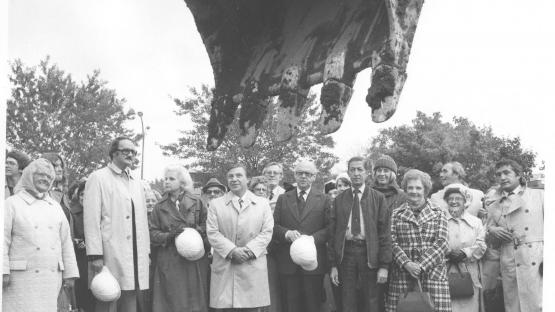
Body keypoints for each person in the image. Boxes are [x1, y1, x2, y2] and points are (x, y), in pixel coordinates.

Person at [83, 137, 150, 312]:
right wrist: (95, 255)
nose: (131, 154)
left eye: (133, 152)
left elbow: (142, 221)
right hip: (110, 251)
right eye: (126, 150)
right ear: (114, 153)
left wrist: (146, 252)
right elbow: (91, 220)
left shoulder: (136, 181)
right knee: (108, 294)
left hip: (135, 253)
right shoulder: (98, 177)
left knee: (130, 296)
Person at [3, 158, 79, 311]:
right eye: (41, 175)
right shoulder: (12, 204)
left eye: (49, 177)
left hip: (50, 279)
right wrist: (2, 270)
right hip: (20, 280)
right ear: (30, 175)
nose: (45, 179)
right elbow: (2, 241)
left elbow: (66, 243)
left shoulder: (55, 207)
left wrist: (70, 273)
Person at [206, 163, 274, 311]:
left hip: (252, 266)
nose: (234, 179)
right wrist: (232, 251)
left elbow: (267, 232)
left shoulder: (262, 204)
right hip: (226, 267)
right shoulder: (216, 205)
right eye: (230, 176)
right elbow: (212, 232)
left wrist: (249, 250)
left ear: (247, 179)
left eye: (239, 175)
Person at [329, 156, 392, 312]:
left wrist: (384, 266)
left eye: (360, 169)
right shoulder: (339, 200)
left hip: (369, 253)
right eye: (352, 169)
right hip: (346, 254)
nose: (356, 173)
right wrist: (333, 265)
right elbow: (333, 235)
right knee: (347, 299)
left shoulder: (378, 198)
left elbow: (384, 234)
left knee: (371, 299)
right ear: (348, 173)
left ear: (367, 173)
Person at [386, 169, 451, 312]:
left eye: (418, 188)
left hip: (432, 275)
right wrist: (407, 263)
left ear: (425, 190)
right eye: (410, 188)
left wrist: (420, 266)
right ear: (405, 189)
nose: (414, 191)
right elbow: (391, 241)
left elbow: (442, 243)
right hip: (403, 275)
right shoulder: (396, 214)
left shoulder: (439, 213)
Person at [149, 165, 210, 312]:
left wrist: (196, 232)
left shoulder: (197, 202)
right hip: (169, 260)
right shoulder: (159, 206)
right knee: (170, 302)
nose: (166, 182)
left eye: (171, 179)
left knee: (193, 302)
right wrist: (169, 236)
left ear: (182, 182)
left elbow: (208, 227)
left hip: (193, 259)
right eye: (165, 179)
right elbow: (152, 233)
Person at [273, 160, 331, 312]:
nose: (303, 176)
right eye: (300, 173)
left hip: (313, 264)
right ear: (295, 175)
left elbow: (330, 228)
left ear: (314, 177)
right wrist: (286, 233)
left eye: (308, 174)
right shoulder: (283, 199)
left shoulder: (324, 199)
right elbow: (273, 226)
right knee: (290, 306)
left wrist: (312, 239)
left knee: (312, 306)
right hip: (287, 263)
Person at [486, 159, 543, 312]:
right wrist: (492, 231)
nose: (502, 177)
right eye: (498, 174)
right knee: (514, 306)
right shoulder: (493, 205)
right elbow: (490, 243)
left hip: (535, 259)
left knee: (538, 303)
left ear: (518, 175)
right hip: (509, 260)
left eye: (507, 172)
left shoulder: (539, 196)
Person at [370, 155, 407, 312]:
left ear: (392, 173)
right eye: (378, 170)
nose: (382, 174)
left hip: (397, 253)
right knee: (374, 297)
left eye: (386, 170)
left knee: (395, 299)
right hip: (372, 252)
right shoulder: (367, 193)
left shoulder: (402, 196)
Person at [444, 185, 486, 312]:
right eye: (450, 198)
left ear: (465, 202)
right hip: (445, 271)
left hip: (469, 271)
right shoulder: (439, 220)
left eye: (458, 198)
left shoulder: (476, 222)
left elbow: (482, 245)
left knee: (469, 306)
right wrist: (448, 253)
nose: (454, 201)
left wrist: (465, 253)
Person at [67, 180, 96, 312]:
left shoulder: (100, 213)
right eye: (82, 194)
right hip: (81, 261)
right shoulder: (73, 214)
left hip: (98, 261)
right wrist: (77, 242)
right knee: (83, 296)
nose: (85, 197)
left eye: (88, 194)